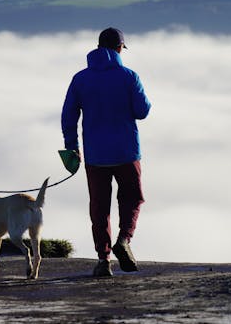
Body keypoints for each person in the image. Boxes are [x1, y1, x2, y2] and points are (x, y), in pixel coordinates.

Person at [61, 28, 151, 276]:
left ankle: (103, 259)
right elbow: (142, 111)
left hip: (95, 155)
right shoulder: (129, 76)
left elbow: (68, 115)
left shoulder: (81, 78)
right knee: (132, 199)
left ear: (99, 47)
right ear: (120, 48)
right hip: (126, 152)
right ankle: (124, 240)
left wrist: (72, 147)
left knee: (99, 206)